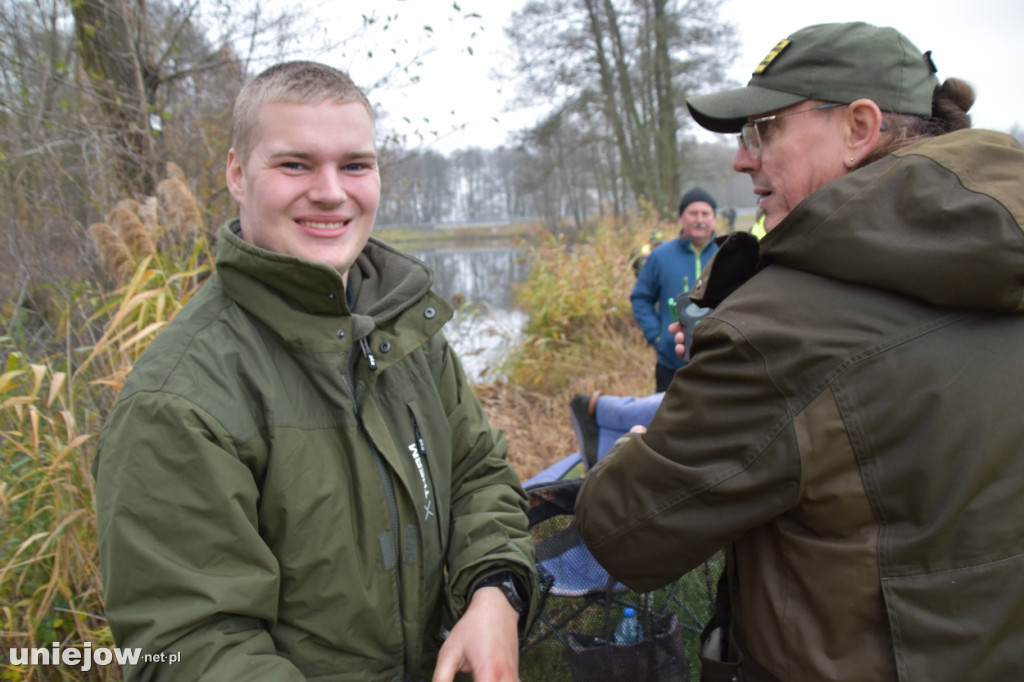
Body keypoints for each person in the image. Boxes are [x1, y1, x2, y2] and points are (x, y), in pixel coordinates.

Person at [576, 21, 1024, 682]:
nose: (741, 159)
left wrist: (638, 446)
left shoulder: (777, 329)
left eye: (762, 130)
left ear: (859, 127)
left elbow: (625, 534)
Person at [92, 61, 538, 682]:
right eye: (295, 164)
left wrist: (495, 593)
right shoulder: (178, 400)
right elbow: (188, 645)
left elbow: (479, 475)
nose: (330, 192)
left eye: (354, 165)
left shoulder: (407, 332)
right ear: (237, 174)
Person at [631, 186, 719, 391]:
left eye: (705, 213)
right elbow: (641, 298)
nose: (699, 219)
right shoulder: (660, 256)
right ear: (681, 217)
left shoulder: (727, 254)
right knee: (668, 412)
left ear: (714, 218)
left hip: (718, 362)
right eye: (693, 213)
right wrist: (658, 336)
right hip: (671, 364)